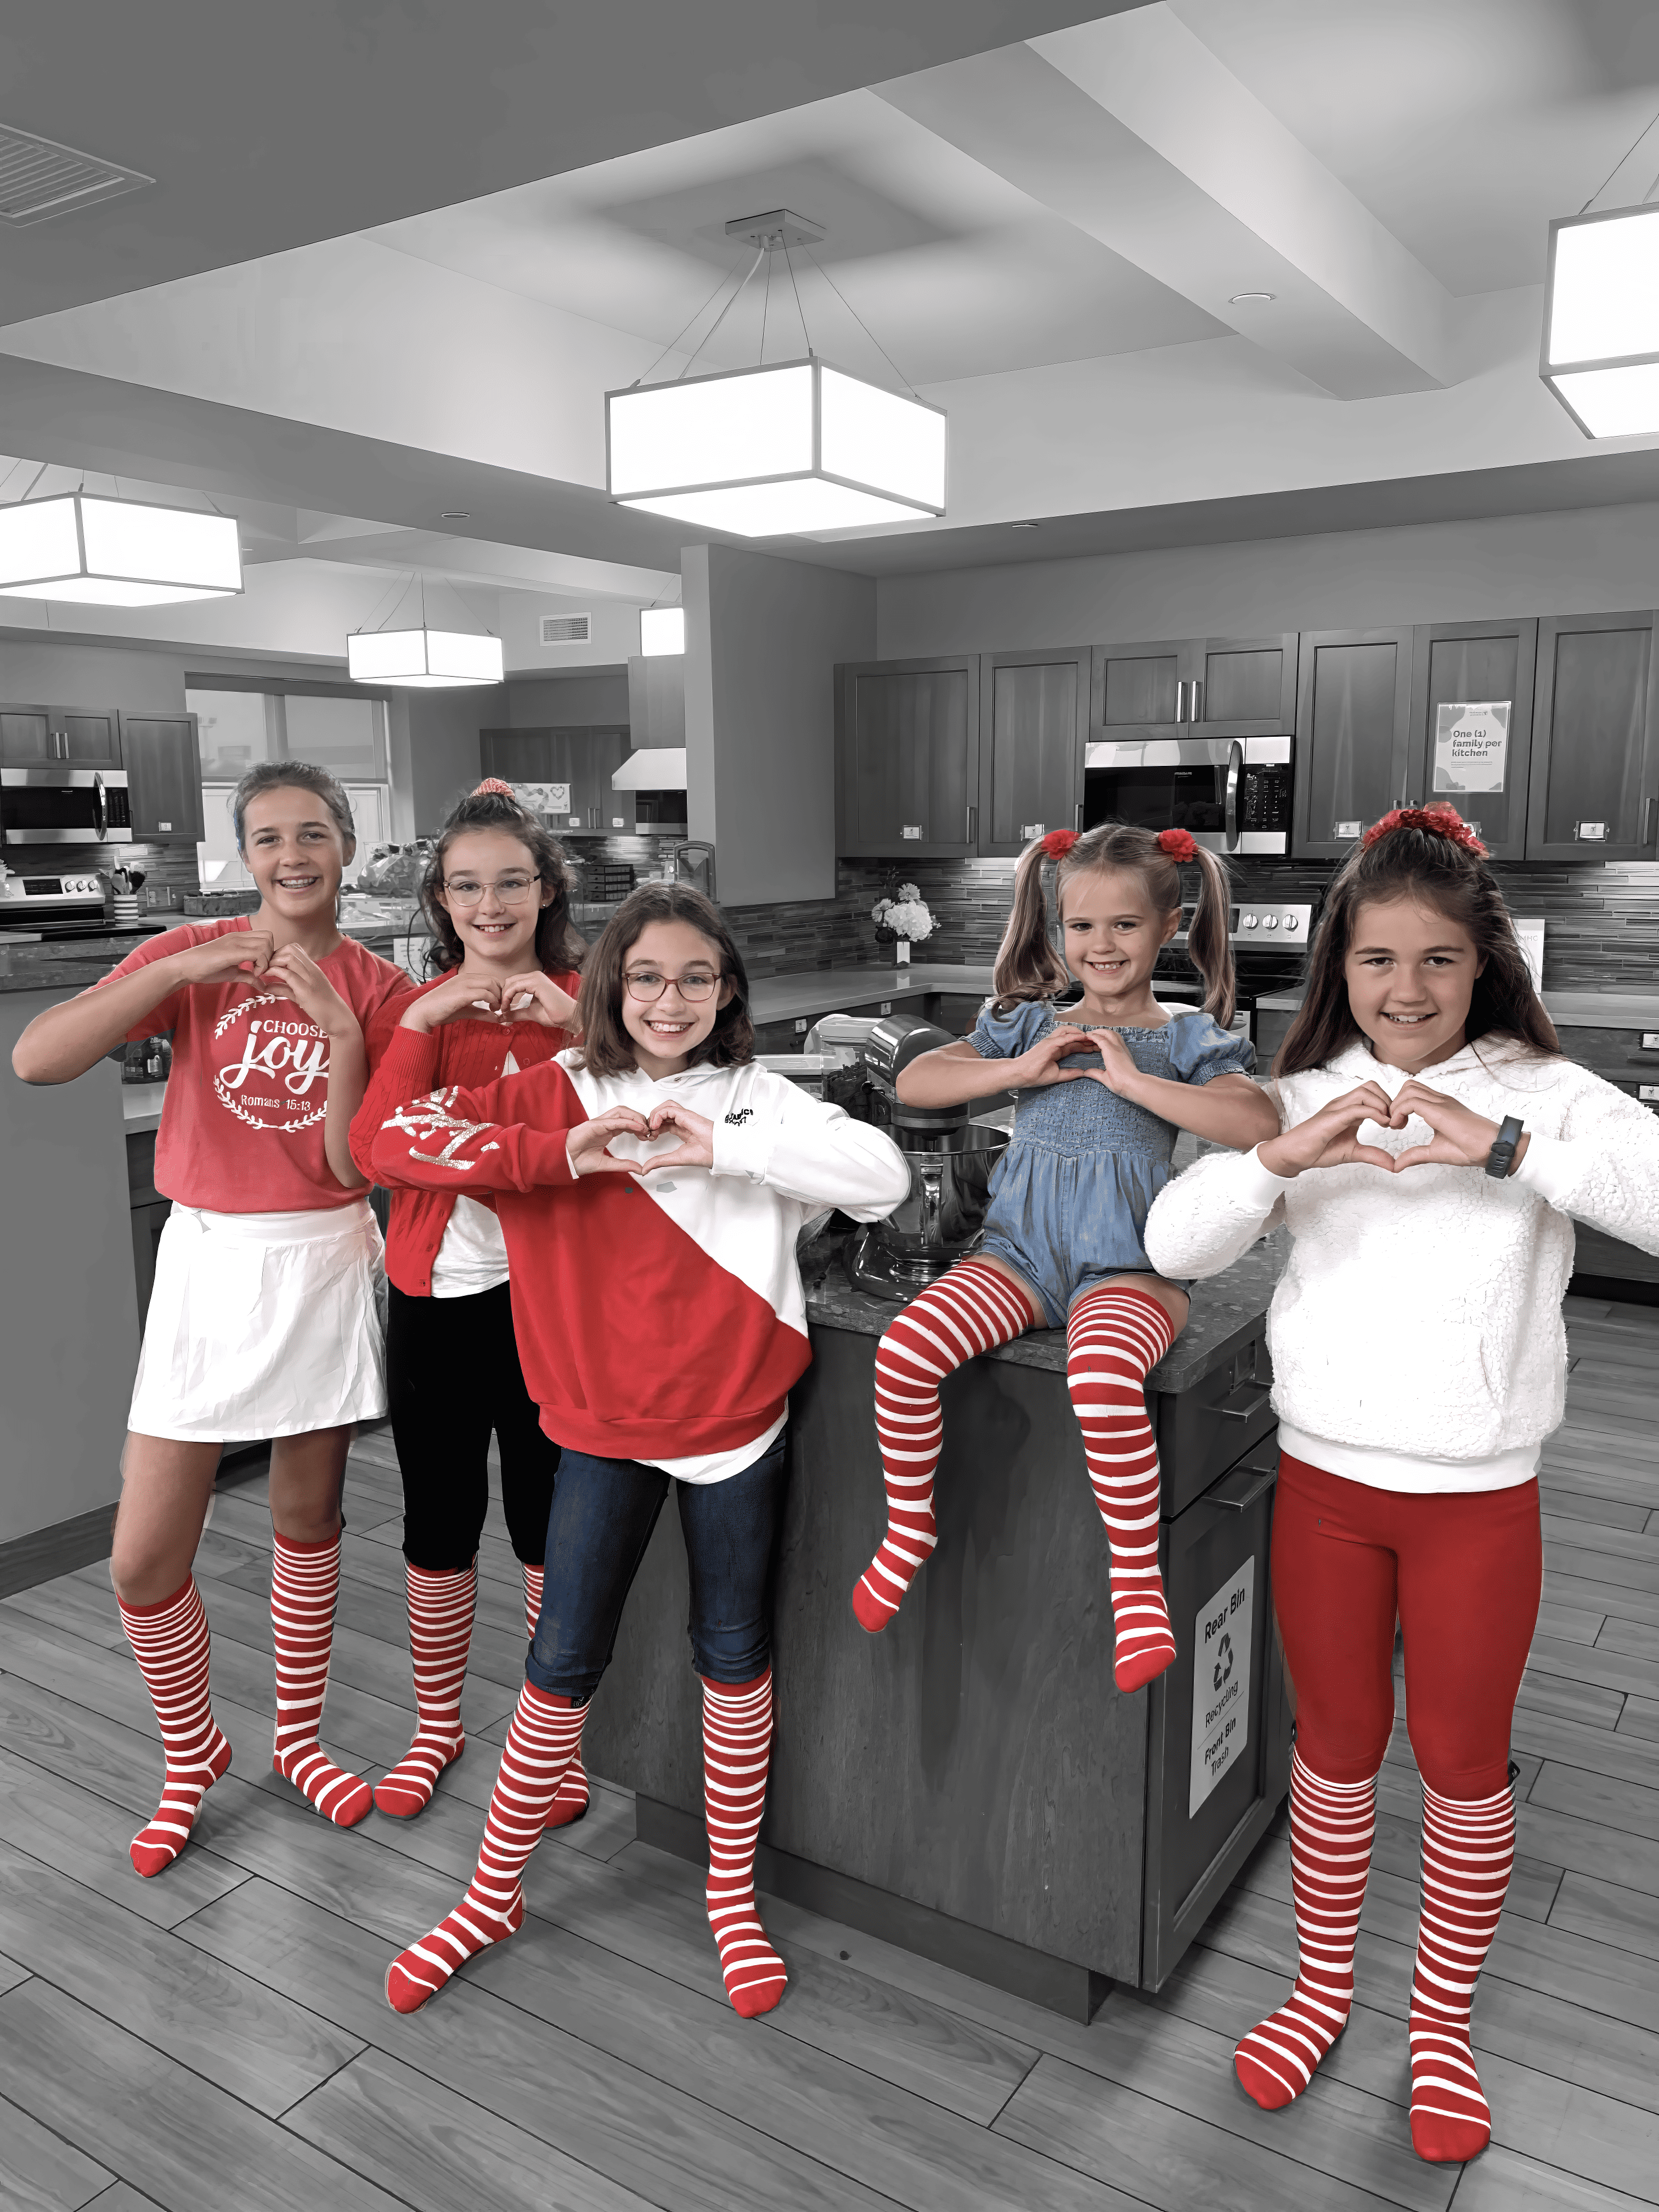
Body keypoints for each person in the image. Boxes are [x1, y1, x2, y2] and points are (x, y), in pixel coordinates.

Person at [1143, 804, 1659, 2166]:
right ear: (1340, 969)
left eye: (1437, 961)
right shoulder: (1300, 1096)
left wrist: (1503, 1149)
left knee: (1463, 1765)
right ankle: (1320, 1993)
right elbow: (1174, 1243)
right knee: (1333, 1751)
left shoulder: (1542, 1094)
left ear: (1483, 965)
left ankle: (1438, 2029)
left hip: (1481, 1502)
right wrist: (1271, 1160)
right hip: (1325, 1489)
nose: (1407, 990)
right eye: (1377, 961)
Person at [365, 882, 909, 2018]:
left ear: (728, 994)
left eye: (697, 978)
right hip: (597, 1429)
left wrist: (725, 1146)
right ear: (609, 986)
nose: (671, 999)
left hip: (737, 1427)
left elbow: (886, 1179)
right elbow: (391, 1139)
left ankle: (731, 1896)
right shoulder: (550, 1093)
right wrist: (561, 1157)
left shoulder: (764, 1099)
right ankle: (492, 1890)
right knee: (560, 1666)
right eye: (648, 976)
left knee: (734, 1654)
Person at [10, 763, 407, 1873]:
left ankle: (297, 1741)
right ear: (245, 854)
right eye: (271, 836)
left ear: (348, 845)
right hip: (209, 1263)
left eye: (316, 834)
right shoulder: (190, 963)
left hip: (324, 1261)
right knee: (143, 1557)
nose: (294, 855)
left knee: (307, 1520)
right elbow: (38, 1060)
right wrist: (189, 961)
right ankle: (193, 1757)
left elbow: (345, 1165)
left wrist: (339, 1034)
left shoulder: (379, 988)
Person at [850, 823, 1280, 1692]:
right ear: (1057, 930)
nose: (1101, 945)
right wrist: (1021, 1072)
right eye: (1082, 927)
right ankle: (909, 1527)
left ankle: (1136, 1590)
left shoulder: (1189, 1038)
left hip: (1133, 1271)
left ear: (1167, 927)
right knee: (904, 1353)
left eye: (1124, 925)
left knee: (1101, 1375)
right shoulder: (1025, 1022)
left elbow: (1259, 1126)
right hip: (1019, 1258)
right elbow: (916, 1085)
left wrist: (1131, 1083)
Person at [349, 781, 590, 1825]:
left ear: (544, 891)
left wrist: (577, 1021)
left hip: (555, 1310)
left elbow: (637, 1118)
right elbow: (373, 1147)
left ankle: (559, 1748)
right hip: (435, 1300)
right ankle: (436, 1727)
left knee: (549, 1528)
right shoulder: (419, 1013)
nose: (488, 904)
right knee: (439, 1520)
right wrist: (428, 1014)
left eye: (510, 882)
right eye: (464, 887)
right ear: (440, 901)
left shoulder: (595, 998)